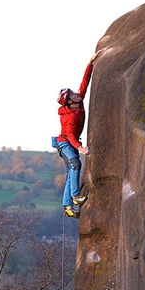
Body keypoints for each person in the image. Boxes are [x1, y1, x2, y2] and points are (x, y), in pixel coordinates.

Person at [56, 50, 102, 218]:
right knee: (75, 164)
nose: (76, 94)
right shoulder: (68, 117)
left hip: (71, 142)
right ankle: (75, 197)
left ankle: (68, 207)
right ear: (69, 101)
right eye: (72, 95)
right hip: (64, 143)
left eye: (73, 92)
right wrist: (81, 148)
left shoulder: (79, 99)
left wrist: (90, 63)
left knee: (71, 171)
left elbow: (84, 82)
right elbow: (70, 136)